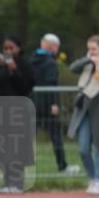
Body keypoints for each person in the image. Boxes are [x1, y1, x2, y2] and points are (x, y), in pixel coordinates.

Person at [0, 36, 35, 193]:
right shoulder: (0, 65)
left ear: (18, 48)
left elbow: (26, 86)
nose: (7, 51)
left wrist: (14, 69)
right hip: (1, 111)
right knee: (3, 146)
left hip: (19, 111)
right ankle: (6, 182)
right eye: (5, 48)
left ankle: (17, 183)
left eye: (11, 48)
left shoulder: (25, 64)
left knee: (16, 146)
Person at [67, 34, 99, 195]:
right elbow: (73, 68)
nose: (91, 51)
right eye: (89, 48)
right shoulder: (88, 62)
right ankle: (92, 178)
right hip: (84, 108)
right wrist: (89, 60)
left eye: (94, 49)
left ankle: (98, 181)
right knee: (83, 148)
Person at [29, 33, 76, 174]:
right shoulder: (51, 63)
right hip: (47, 106)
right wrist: (53, 104)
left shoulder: (30, 60)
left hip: (31, 103)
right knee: (56, 136)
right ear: (53, 46)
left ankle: (17, 167)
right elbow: (51, 85)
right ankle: (62, 166)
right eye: (56, 47)